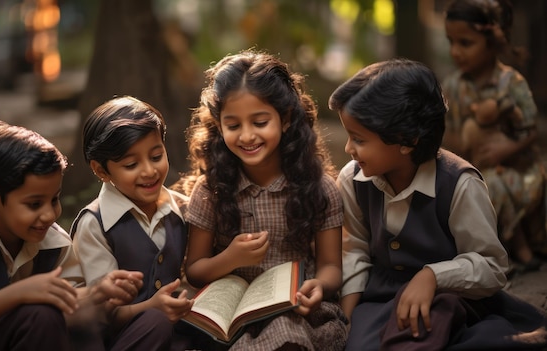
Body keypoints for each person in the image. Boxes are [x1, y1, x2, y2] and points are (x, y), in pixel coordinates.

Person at [331, 58, 547, 350]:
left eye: (358, 139)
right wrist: (346, 320)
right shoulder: (352, 180)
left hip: (451, 296)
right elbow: (355, 252)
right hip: (380, 297)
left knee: (440, 333)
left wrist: (433, 276)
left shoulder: (460, 184)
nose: (348, 149)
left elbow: (492, 265)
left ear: (406, 141)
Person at [175, 49, 348, 351]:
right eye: (233, 125)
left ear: (285, 119)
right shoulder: (211, 190)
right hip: (231, 313)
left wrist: (319, 286)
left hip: (296, 309)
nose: (247, 136)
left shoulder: (319, 188)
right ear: (218, 125)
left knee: (284, 329)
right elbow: (195, 269)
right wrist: (231, 259)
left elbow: (331, 266)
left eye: (259, 122)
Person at [0, 121, 142, 351]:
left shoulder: (54, 242)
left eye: (54, 200)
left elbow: (69, 309)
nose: (49, 214)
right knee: (41, 315)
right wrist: (20, 293)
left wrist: (98, 293)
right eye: (34, 204)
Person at [71, 96, 199, 350]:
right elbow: (100, 316)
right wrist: (151, 308)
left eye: (156, 156)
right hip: (128, 339)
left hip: (182, 336)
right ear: (101, 171)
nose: (149, 171)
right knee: (155, 321)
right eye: (131, 164)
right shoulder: (95, 225)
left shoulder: (183, 209)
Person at [441, 0, 546, 274]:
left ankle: (510, 249)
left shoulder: (511, 83)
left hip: (518, 168)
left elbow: (531, 129)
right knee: (486, 185)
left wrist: (506, 149)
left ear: (491, 41)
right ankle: (504, 250)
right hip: (473, 169)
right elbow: (445, 132)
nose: (455, 52)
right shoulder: (452, 86)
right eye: (451, 42)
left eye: (465, 43)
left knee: (497, 184)